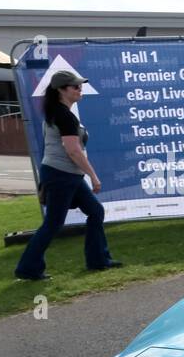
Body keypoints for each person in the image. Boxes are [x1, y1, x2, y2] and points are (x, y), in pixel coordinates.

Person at [14, 70, 120, 280]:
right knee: (53, 223)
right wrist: (94, 176)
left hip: (65, 174)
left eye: (80, 86)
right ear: (62, 90)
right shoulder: (63, 115)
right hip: (61, 174)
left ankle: (98, 260)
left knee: (95, 211)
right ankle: (28, 269)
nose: (80, 89)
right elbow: (73, 150)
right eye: (75, 87)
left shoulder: (59, 112)